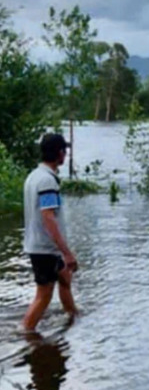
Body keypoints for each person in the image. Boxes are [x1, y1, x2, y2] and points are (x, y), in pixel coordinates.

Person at [21, 134, 78, 332]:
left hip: (40, 245)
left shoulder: (34, 176)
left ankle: (73, 315)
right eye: (64, 151)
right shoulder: (47, 181)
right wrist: (67, 251)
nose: (65, 155)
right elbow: (48, 217)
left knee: (65, 276)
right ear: (60, 153)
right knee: (44, 296)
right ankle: (26, 331)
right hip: (44, 248)